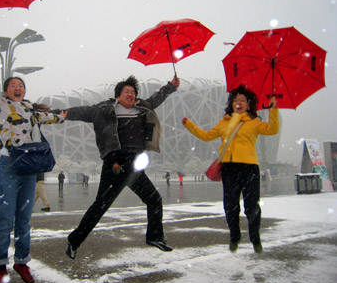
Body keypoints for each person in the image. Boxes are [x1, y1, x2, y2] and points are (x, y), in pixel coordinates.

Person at [0, 44, 66, 283]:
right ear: (5, 90)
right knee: (6, 218)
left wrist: (62, 115)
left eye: (21, 85)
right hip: (10, 164)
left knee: (24, 219)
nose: (18, 88)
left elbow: (50, 118)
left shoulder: (31, 109)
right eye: (13, 85)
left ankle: (22, 262)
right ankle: (0, 265)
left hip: (29, 167)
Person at [54, 75, 180, 259]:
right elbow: (82, 111)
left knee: (154, 200)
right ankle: (74, 241)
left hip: (135, 165)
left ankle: (155, 237)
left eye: (133, 92)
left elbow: (156, 99)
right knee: (100, 207)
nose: (130, 94)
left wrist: (170, 86)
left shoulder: (141, 107)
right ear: (117, 95)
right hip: (115, 164)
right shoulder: (105, 109)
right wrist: (60, 113)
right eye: (126, 91)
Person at [181, 84, 279, 254]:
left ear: (249, 105)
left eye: (243, 100)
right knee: (230, 206)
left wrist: (273, 109)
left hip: (249, 168)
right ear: (231, 104)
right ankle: (235, 236)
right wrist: (189, 124)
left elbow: (272, 130)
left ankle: (255, 238)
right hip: (229, 169)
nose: (239, 102)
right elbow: (205, 136)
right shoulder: (224, 124)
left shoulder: (254, 122)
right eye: (236, 100)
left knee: (252, 207)